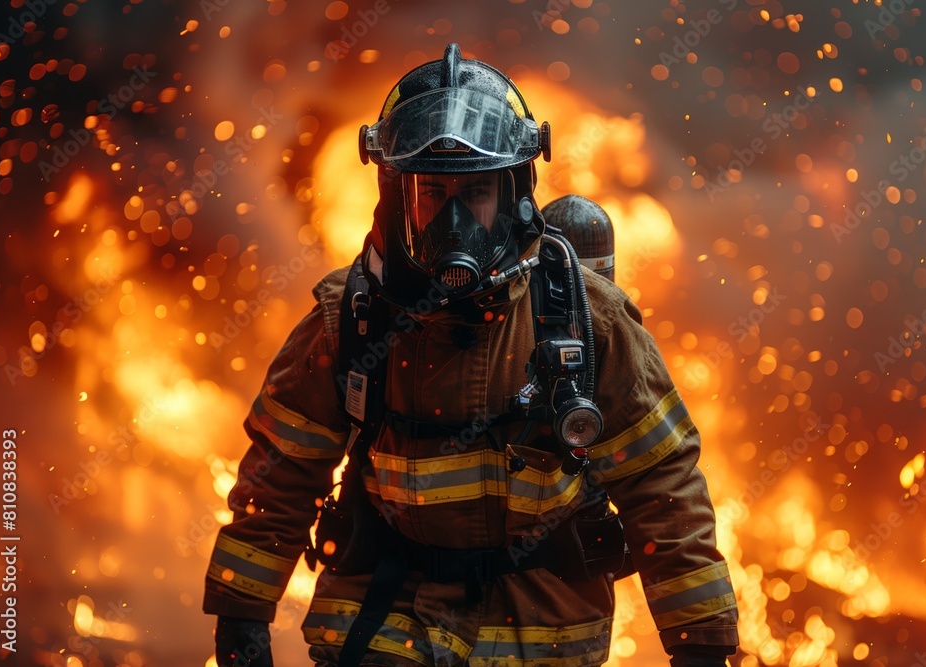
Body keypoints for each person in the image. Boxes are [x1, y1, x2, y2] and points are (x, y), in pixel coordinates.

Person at [205, 43, 738, 667]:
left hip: (541, 637)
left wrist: (700, 643)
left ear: (514, 192)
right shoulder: (351, 319)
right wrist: (241, 618)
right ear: (398, 193)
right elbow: (282, 475)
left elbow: (662, 485)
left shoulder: (584, 321)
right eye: (432, 193)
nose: (452, 220)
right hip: (385, 628)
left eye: (476, 192)